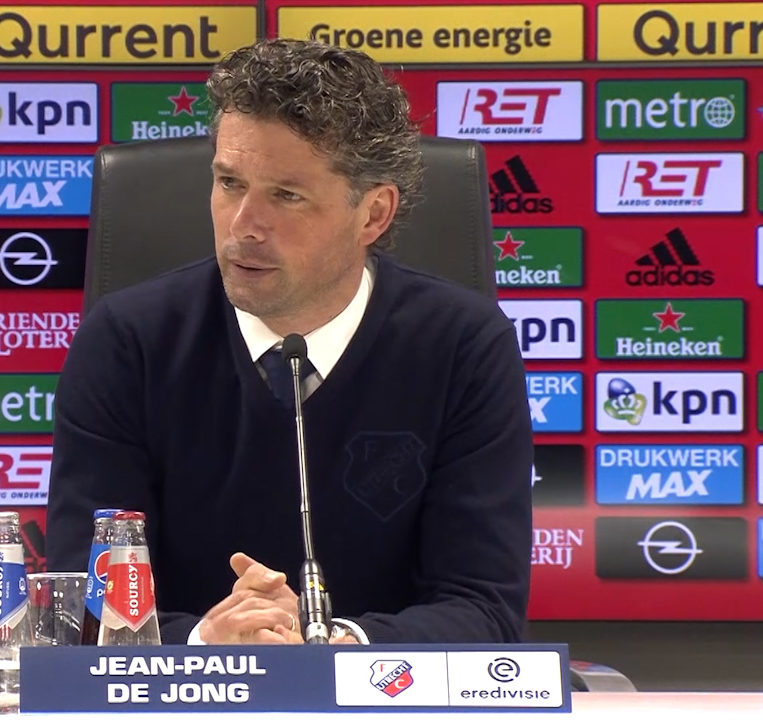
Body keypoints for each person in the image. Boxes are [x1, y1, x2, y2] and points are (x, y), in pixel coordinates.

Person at [46, 37, 532, 645]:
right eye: (229, 183)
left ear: (373, 215)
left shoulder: (464, 347)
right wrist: (208, 644)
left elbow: (485, 610)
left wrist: (333, 647)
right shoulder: (127, 343)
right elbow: (81, 609)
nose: (244, 225)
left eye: (287, 195)